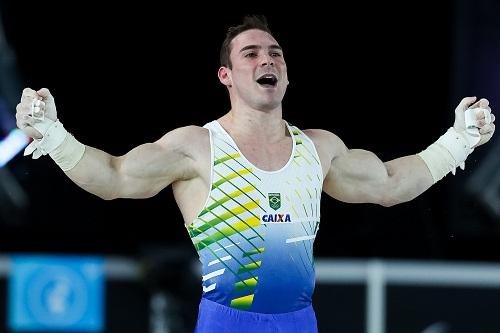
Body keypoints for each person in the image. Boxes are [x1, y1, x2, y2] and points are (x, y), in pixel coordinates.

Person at [15, 15, 495, 333]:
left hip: (299, 322)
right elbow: (115, 177)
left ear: (286, 75)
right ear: (226, 76)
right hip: (228, 322)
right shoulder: (197, 148)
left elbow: (390, 184)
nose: (268, 58)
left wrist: (457, 142)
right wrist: (54, 135)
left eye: (276, 53)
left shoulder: (319, 149)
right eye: (251, 53)